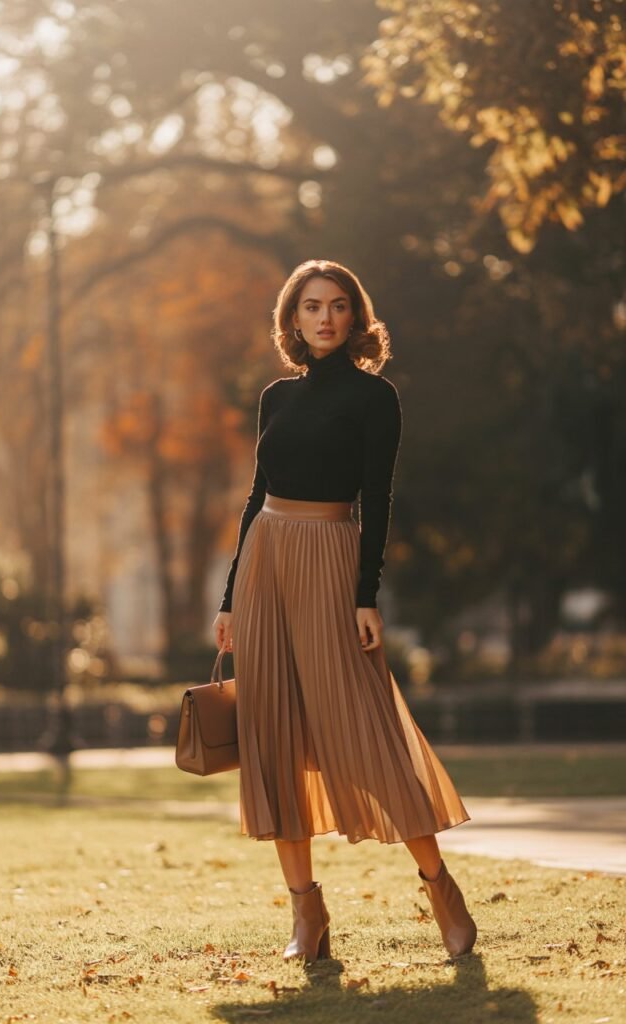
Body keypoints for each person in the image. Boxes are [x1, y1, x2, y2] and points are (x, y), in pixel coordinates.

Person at [213, 259, 476, 964]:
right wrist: (232, 598)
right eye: (310, 306)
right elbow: (256, 496)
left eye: (336, 305)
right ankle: (308, 915)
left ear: (355, 316)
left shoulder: (375, 398)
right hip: (266, 561)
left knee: (365, 728)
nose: (324, 318)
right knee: (271, 734)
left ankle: (442, 892)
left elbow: (377, 500)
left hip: (331, 558)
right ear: (292, 320)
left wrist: (366, 595)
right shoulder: (275, 397)